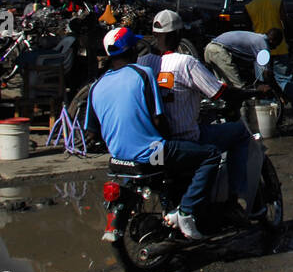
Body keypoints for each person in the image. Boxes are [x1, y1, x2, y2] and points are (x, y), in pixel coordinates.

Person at [87, 25, 220, 240]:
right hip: (152, 153)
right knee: (211, 154)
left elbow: (92, 133)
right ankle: (186, 212)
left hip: (117, 159)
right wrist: (169, 136)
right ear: (132, 50)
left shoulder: (96, 86)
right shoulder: (143, 74)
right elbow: (159, 119)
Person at [152, 10, 258, 217]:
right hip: (187, 137)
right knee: (239, 133)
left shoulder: (145, 63)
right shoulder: (185, 63)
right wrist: (248, 92)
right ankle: (236, 200)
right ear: (177, 35)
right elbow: (220, 93)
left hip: (156, 139)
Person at [244, 0, 293, 124]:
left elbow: (248, 30)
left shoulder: (249, 7)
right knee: (284, 79)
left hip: (260, 51)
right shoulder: (277, 1)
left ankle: (273, 115)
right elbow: (286, 22)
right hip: (280, 46)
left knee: (264, 82)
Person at [204, 27, 285, 130]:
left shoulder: (257, 39)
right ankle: (244, 127)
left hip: (210, 49)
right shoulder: (263, 45)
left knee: (225, 90)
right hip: (219, 52)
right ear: (273, 40)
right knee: (240, 91)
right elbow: (267, 74)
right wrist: (278, 91)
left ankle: (228, 119)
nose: (275, 48)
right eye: (276, 45)